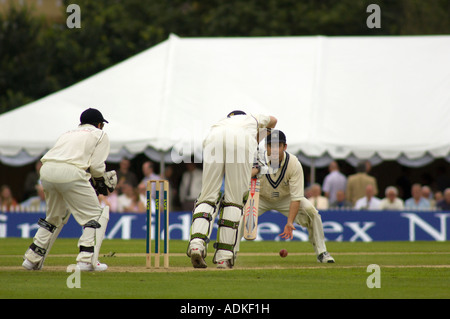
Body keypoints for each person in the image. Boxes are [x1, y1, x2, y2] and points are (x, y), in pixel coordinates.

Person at [22, 108, 116, 271]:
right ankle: (86, 260)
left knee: (53, 217)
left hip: (47, 170)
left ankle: (32, 258)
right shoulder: (100, 134)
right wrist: (100, 180)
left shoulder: (67, 133)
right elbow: (96, 166)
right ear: (99, 124)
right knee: (95, 215)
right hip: (71, 172)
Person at [187, 110, 277, 269]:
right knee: (234, 201)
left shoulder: (221, 122)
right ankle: (224, 257)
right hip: (242, 141)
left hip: (213, 139)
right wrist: (255, 140)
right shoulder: (252, 118)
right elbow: (273, 121)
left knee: (207, 196)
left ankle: (196, 245)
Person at [235, 130, 335, 265]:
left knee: (312, 213)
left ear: (285, 147)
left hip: (286, 198)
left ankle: (322, 252)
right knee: (240, 217)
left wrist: (289, 222)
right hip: (261, 198)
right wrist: (253, 170)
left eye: (278, 146)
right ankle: (231, 253)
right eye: (271, 146)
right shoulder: (258, 158)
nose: (274, 150)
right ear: (266, 147)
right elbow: (244, 177)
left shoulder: (294, 164)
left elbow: (296, 197)